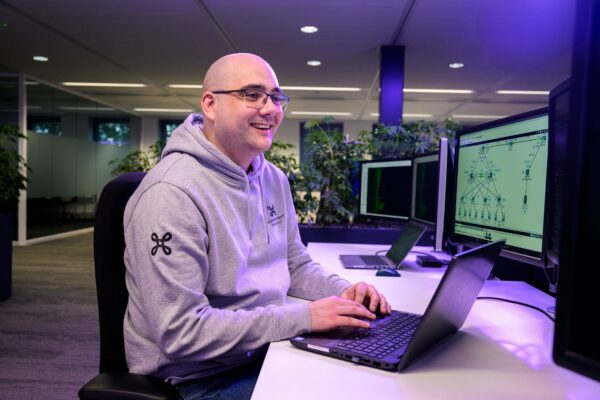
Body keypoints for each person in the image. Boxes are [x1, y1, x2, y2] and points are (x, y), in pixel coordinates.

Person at [122, 53, 391, 399]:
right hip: (198, 379)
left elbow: (294, 264)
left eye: (276, 97)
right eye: (252, 95)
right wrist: (305, 318)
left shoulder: (273, 178)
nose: (270, 109)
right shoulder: (170, 194)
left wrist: (343, 292)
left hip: (265, 349)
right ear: (210, 104)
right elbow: (181, 333)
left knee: (368, 381)